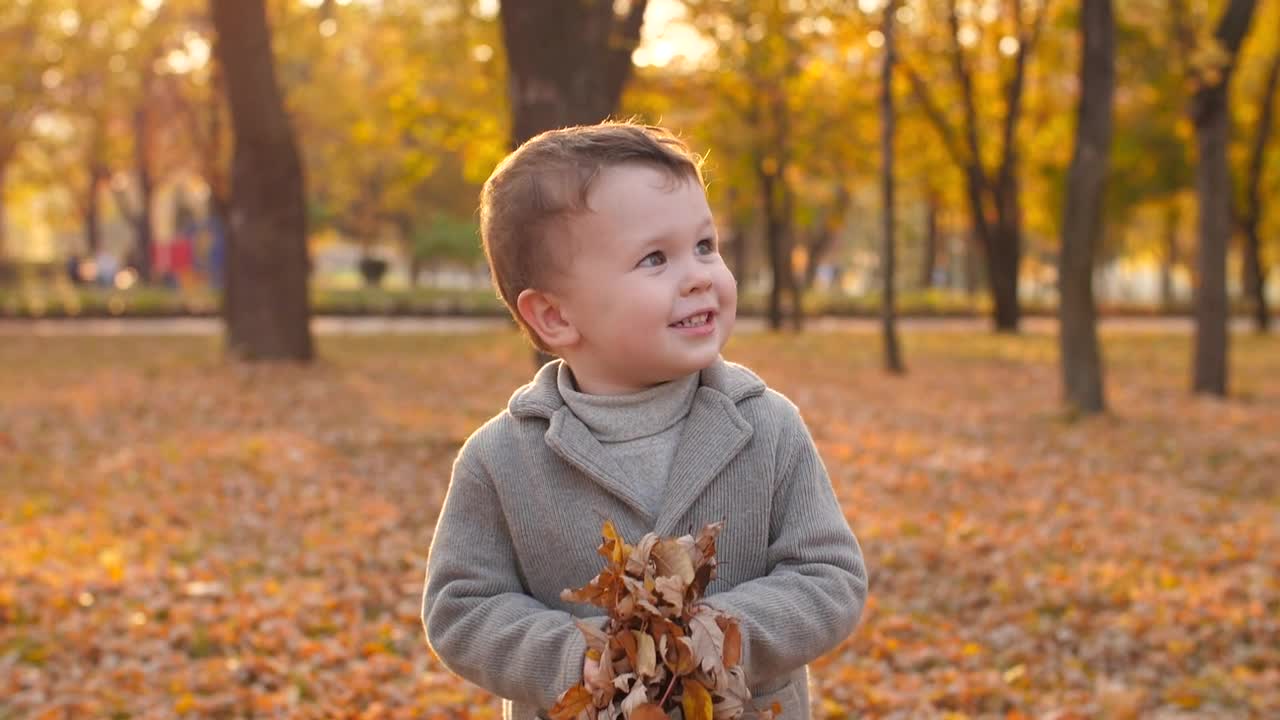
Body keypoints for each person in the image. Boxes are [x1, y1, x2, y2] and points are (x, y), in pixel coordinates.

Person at [422, 121, 867, 720]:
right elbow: (462, 607)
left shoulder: (766, 427)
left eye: (706, 246)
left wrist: (714, 640)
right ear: (554, 316)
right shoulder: (502, 459)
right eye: (655, 258)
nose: (698, 275)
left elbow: (829, 577)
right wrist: (580, 657)